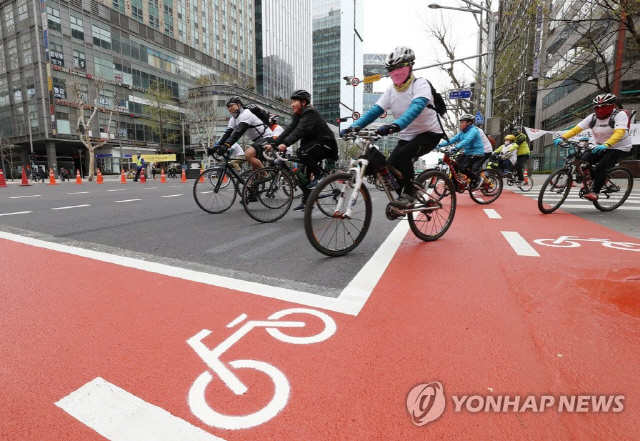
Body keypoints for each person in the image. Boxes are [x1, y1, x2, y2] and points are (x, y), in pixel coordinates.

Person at [340, 46, 444, 208]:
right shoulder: (390, 91)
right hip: (407, 137)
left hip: (429, 133)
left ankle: (408, 195)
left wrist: (396, 125)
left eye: (399, 67)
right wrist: (353, 127)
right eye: (391, 69)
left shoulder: (420, 84)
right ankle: (405, 197)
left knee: (404, 155)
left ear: (410, 66)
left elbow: (415, 108)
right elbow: (375, 111)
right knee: (390, 168)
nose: (395, 71)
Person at [269, 89, 339, 211]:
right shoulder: (298, 115)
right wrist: (275, 143)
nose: (292, 104)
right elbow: (289, 129)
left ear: (303, 102)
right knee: (303, 175)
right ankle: (307, 201)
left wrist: (285, 144)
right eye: (291, 101)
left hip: (325, 143)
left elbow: (299, 131)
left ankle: (319, 174)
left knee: (301, 152)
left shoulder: (310, 112)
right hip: (314, 145)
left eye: (294, 101)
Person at [553, 93, 632, 201]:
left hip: (618, 146)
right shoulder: (592, 117)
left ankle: (595, 192)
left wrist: (607, 144)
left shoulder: (619, 115)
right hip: (599, 145)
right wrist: (562, 137)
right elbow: (576, 129)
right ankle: (592, 180)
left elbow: (619, 132)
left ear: (612, 106)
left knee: (601, 166)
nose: (600, 109)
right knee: (583, 163)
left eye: (603, 106)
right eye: (597, 107)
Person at [208, 96, 273, 173]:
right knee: (252, 179)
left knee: (248, 154)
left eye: (231, 105)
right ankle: (253, 183)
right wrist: (216, 147)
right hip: (258, 141)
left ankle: (265, 175)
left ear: (239, 105)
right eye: (228, 106)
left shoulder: (246, 113)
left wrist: (227, 145)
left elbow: (238, 132)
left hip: (267, 137)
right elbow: (227, 134)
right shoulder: (233, 119)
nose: (229, 108)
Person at [438, 114, 485, 188]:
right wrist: (438, 145)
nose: (461, 124)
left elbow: (466, 141)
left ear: (469, 123)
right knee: (454, 165)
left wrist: (455, 147)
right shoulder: (462, 132)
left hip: (476, 152)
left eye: (463, 122)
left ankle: (477, 178)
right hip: (468, 152)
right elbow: (451, 140)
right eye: (461, 122)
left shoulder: (474, 130)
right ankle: (455, 185)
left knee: (462, 168)